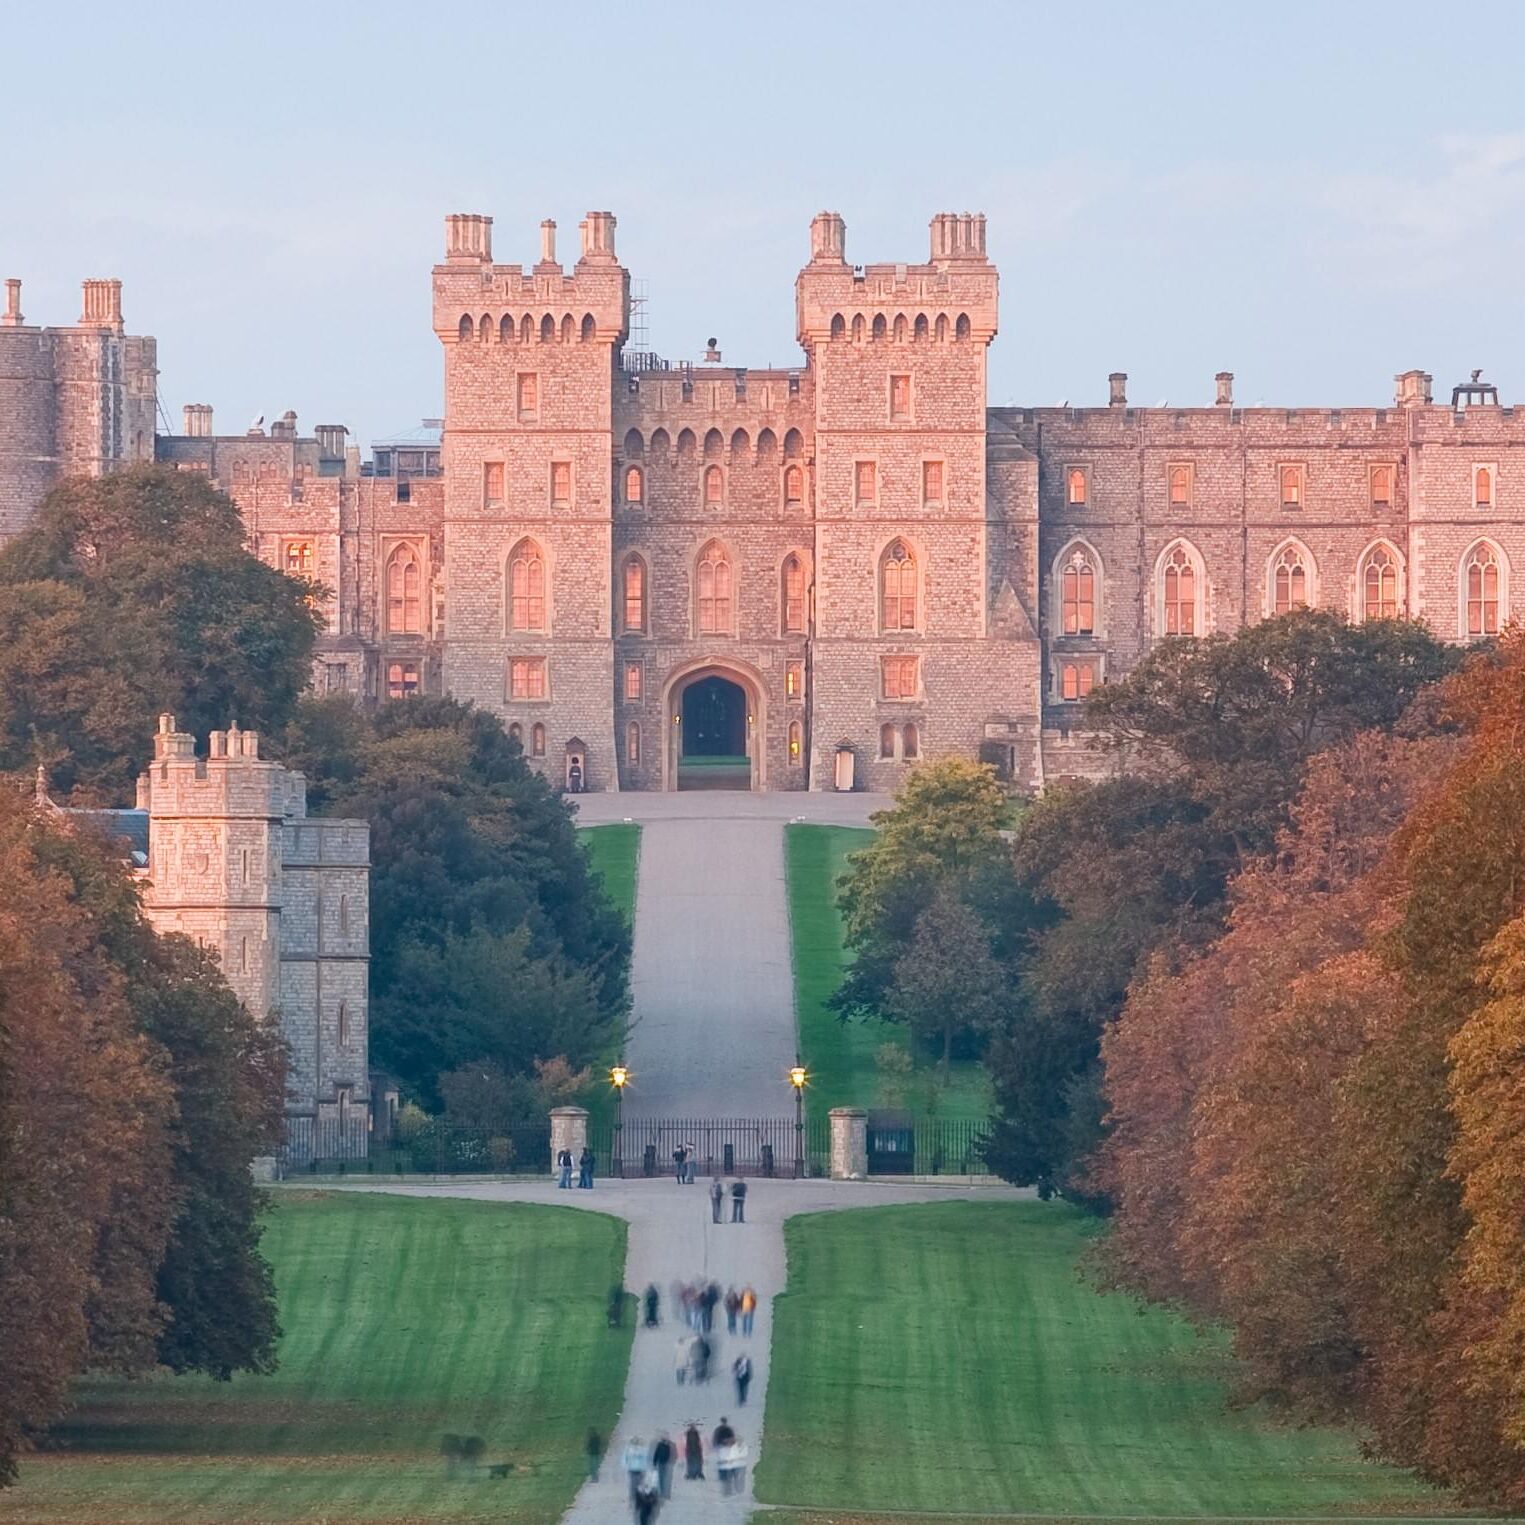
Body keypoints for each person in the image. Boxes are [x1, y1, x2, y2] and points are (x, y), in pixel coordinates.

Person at [622, 1435, 648, 1505]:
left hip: (640, 1469)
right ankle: (633, 1498)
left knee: (639, 1484)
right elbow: (624, 1459)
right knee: (633, 1484)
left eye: (636, 1441)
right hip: (632, 1469)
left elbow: (645, 1459)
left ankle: (638, 1498)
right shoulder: (628, 1449)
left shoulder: (642, 1449)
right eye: (634, 1441)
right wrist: (626, 1466)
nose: (635, 1443)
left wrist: (645, 1468)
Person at [651, 1432, 675, 1500]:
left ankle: (666, 1494)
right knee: (661, 1478)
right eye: (665, 1436)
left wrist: (672, 1461)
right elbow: (656, 1453)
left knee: (667, 1479)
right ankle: (662, 1493)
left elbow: (673, 1454)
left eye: (667, 1436)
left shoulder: (670, 1445)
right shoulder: (659, 1444)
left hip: (668, 1464)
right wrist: (654, 1462)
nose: (666, 1437)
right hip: (661, 1463)